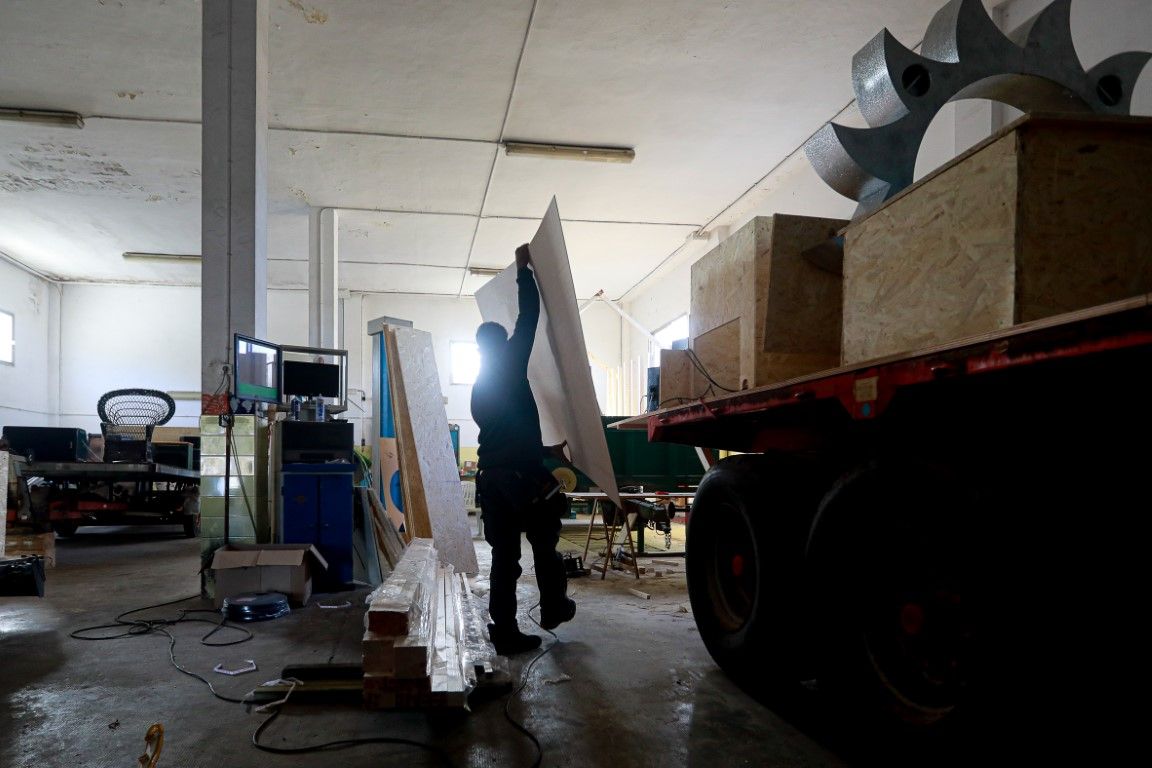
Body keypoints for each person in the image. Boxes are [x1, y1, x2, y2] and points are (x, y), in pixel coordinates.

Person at [471, 243, 576, 655]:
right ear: (501, 344)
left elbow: (504, 433)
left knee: (503, 557)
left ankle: (506, 630)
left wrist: (549, 449)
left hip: (492, 480)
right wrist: (522, 270)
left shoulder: (481, 389)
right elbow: (529, 316)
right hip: (520, 479)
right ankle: (552, 607)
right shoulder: (509, 364)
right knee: (546, 542)